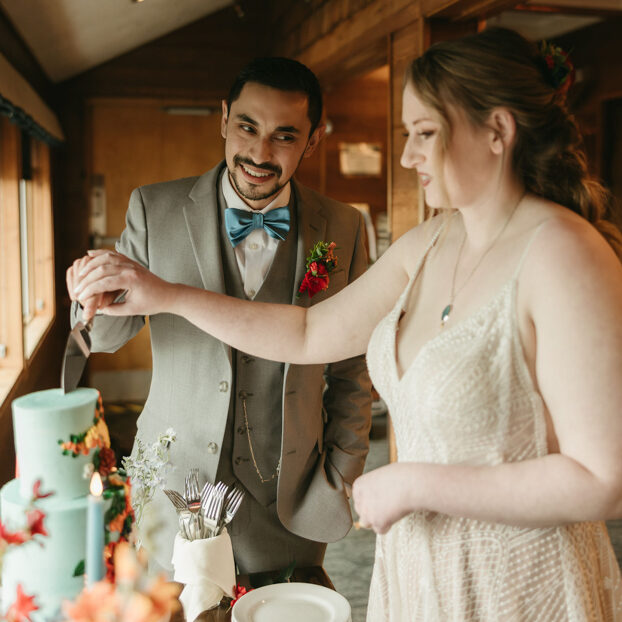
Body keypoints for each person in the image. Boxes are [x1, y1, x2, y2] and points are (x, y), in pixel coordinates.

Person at [70, 28, 622, 620]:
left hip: (516, 577)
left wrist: (397, 482)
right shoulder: (430, 242)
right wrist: (166, 294)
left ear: (498, 130)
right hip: (413, 566)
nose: (407, 156)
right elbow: (308, 334)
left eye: (424, 134)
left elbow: (602, 477)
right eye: (407, 135)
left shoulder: (564, 253)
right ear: (225, 119)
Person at [67, 57, 372, 577]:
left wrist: (340, 475)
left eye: (284, 136)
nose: (259, 152)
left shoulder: (344, 226)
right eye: (248, 127)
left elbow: (352, 371)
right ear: (224, 119)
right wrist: (88, 295)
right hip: (171, 486)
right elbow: (108, 337)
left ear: (313, 141)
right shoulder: (153, 209)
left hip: (288, 495)